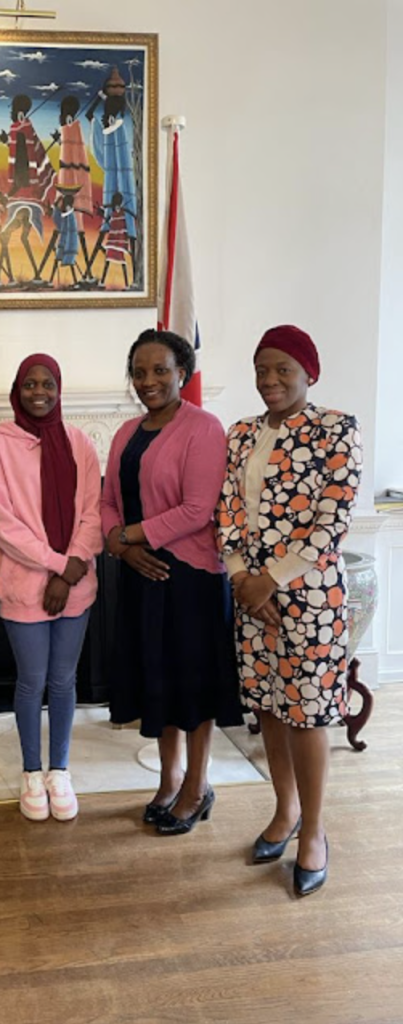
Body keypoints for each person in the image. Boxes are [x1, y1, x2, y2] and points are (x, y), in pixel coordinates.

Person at [217, 325, 362, 896]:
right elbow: (226, 511)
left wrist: (270, 582)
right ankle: (285, 811)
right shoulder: (241, 434)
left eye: (282, 369)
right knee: (270, 708)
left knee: (309, 713)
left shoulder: (336, 429)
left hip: (311, 597)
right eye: (261, 370)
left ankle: (315, 832)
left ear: (309, 373)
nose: (270, 380)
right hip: (250, 594)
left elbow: (333, 519)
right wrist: (241, 580)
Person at [101, 329, 242, 836]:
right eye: (139, 372)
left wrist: (130, 535)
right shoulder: (125, 433)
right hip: (142, 577)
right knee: (156, 682)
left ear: (182, 372)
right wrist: (122, 547)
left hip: (190, 579)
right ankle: (170, 778)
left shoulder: (204, 427)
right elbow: (107, 502)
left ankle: (198, 786)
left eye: (160, 370)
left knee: (193, 687)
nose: (149, 381)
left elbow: (198, 509)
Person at [0, 355, 103, 822]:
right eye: (29, 383)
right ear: (18, 388)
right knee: (31, 682)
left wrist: (69, 572)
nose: (39, 391)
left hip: (75, 584)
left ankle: (59, 770)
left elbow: (92, 511)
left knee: (64, 681)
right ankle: (31, 772)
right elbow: (3, 524)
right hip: (24, 585)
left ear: (59, 388)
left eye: (47, 383)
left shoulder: (79, 442)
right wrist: (56, 566)